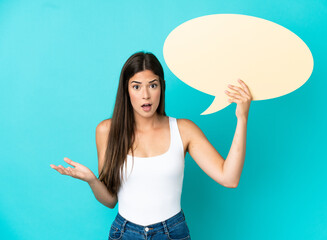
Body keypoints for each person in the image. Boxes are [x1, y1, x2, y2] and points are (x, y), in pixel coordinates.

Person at [50, 51, 252, 240]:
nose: (145, 95)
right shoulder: (106, 131)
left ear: (161, 87)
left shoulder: (183, 129)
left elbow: (229, 178)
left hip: (173, 232)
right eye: (136, 86)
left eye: (152, 85)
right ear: (126, 90)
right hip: (124, 232)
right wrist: (92, 180)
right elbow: (110, 200)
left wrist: (242, 118)